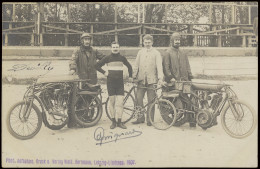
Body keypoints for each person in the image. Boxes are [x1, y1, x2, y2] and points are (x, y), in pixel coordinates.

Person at [68, 33, 105, 128]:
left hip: (92, 78)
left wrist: (108, 62)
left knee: (91, 98)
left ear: (90, 41)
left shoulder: (94, 51)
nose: (87, 41)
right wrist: (72, 69)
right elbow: (72, 60)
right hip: (82, 79)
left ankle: (89, 117)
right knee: (80, 98)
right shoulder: (77, 51)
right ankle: (79, 118)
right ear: (82, 41)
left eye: (88, 39)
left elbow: (104, 58)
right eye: (85, 39)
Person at [95, 41, 133, 129]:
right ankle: (113, 122)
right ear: (111, 48)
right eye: (113, 47)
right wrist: (104, 72)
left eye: (117, 47)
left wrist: (130, 76)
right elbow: (96, 65)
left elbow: (129, 66)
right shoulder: (107, 58)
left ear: (119, 48)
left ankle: (120, 122)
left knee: (120, 103)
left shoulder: (122, 58)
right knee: (112, 102)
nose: (115, 49)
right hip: (110, 83)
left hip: (120, 83)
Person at [163, 32, 196, 128]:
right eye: (175, 40)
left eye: (178, 40)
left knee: (193, 98)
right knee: (186, 100)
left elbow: (187, 65)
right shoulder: (167, 52)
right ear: (172, 41)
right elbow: (166, 67)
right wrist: (170, 77)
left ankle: (192, 118)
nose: (177, 42)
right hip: (174, 82)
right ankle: (190, 119)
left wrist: (190, 75)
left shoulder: (183, 52)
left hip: (184, 81)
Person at [132, 34, 164, 126]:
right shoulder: (140, 52)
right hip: (141, 80)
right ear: (143, 42)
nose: (147, 44)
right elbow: (136, 65)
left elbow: (159, 67)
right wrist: (134, 76)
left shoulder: (156, 53)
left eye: (149, 42)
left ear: (152, 42)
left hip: (152, 81)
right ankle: (140, 118)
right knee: (138, 99)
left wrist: (160, 78)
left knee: (151, 100)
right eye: (145, 42)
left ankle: (150, 120)